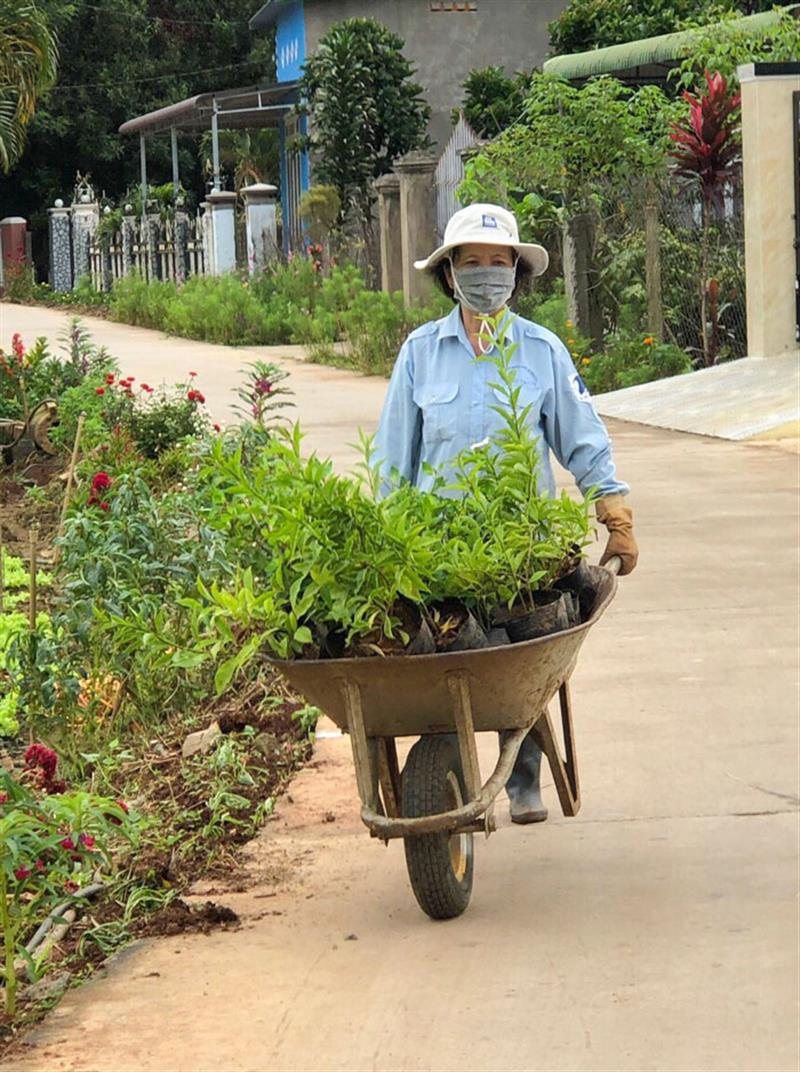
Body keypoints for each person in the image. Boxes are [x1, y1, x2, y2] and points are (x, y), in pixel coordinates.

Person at [374, 202, 638, 825]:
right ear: (450, 275)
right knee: (445, 663)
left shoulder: (541, 352)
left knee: (523, 659)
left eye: (499, 263)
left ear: (517, 274)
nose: (486, 274)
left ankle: (523, 775)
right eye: (473, 263)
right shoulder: (420, 354)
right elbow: (392, 460)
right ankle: (450, 775)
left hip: (522, 549)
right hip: (438, 548)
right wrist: (389, 543)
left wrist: (615, 511)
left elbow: (582, 438)